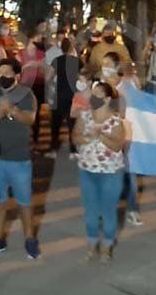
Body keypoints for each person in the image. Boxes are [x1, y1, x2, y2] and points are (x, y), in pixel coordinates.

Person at [0, 59, 40, 259]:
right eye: (0, 72)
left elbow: (30, 119)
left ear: (16, 75)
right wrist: (0, 112)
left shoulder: (25, 93)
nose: (2, 76)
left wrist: (12, 110)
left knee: (24, 202)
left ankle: (30, 239)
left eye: (7, 72)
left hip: (19, 158)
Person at [72, 81, 128, 262]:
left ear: (107, 98)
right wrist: (86, 137)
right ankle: (91, 242)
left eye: (97, 94)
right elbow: (76, 137)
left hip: (110, 172)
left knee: (108, 209)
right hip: (87, 169)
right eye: (93, 93)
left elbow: (118, 144)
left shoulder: (116, 120)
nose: (93, 97)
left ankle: (107, 245)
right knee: (90, 209)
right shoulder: (85, 116)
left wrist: (101, 136)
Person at [48, 38, 81, 158]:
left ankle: (54, 149)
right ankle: (74, 150)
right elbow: (83, 76)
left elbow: (49, 77)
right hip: (73, 95)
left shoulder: (57, 61)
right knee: (72, 123)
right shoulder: (77, 61)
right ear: (72, 48)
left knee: (55, 123)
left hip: (59, 94)